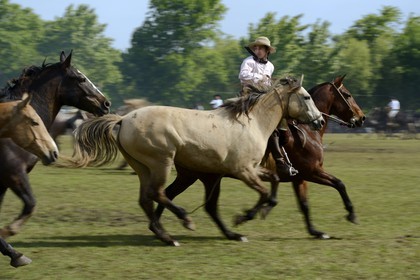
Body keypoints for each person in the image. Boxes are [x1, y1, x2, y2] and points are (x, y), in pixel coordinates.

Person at [238, 36, 298, 177]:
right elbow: (242, 76)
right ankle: (279, 162)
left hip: (264, 99)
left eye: (261, 48)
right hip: (249, 97)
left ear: (267, 51)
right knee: (270, 129)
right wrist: (260, 78)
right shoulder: (248, 61)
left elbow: (268, 85)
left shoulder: (270, 66)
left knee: (283, 123)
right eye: (256, 48)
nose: (257, 50)